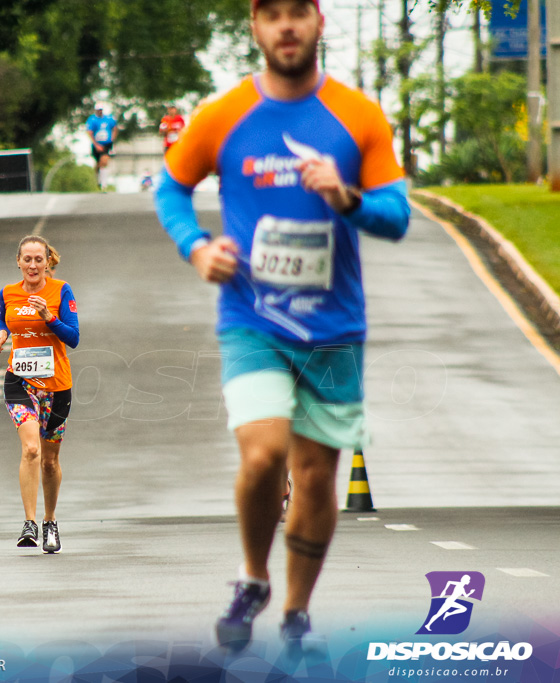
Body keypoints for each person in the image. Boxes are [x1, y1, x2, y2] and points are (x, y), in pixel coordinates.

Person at [153, 0, 409, 650]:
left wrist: (346, 196)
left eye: (299, 11)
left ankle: (295, 609)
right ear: (256, 28)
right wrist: (197, 247)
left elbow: (397, 214)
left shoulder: (357, 116)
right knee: (264, 453)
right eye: (273, 15)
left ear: (319, 22)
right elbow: (171, 186)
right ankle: (252, 576)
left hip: (335, 328)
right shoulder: (224, 114)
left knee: (319, 474)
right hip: (252, 319)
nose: (287, 26)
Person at [0, 236, 79, 553]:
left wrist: (48, 317)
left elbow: (74, 337)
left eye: (38, 259)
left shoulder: (60, 291)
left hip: (56, 387)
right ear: (18, 261)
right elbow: (4, 316)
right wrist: (2, 334)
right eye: (27, 259)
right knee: (31, 449)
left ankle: (50, 521)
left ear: (47, 263)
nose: (32, 265)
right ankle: (28, 522)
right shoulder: (8, 292)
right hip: (20, 382)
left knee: (50, 462)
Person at [86, 102, 118, 191]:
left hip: (107, 144)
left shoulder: (109, 118)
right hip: (97, 144)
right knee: (98, 164)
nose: (100, 111)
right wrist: (96, 144)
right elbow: (89, 132)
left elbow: (115, 128)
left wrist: (112, 139)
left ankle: (104, 184)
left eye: (101, 110)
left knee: (104, 162)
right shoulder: (92, 120)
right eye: (98, 110)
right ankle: (99, 179)